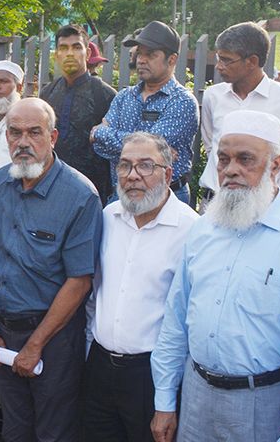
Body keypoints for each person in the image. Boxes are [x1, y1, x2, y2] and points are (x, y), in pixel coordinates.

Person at [150, 110, 280, 442]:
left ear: (275, 165)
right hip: (196, 395)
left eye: (245, 159)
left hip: (262, 403)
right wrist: (164, 401)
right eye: (223, 159)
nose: (231, 169)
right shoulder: (202, 229)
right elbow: (176, 320)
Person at [0, 97, 102, 442]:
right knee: (14, 429)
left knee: (53, 432)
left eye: (34, 132)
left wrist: (35, 345)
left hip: (53, 339)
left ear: (53, 137)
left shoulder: (80, 195)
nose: (23, 142)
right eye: (15, 133)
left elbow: (79, 281)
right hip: (3, 332)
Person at [82, 132, 199, 442]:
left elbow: (188, 320)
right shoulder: (108, 216)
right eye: (124, 165)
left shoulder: (191, 230)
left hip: (151, 376)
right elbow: (94, 293)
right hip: (99, 367)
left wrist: (167, 398)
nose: (132, 175)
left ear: (168, 174)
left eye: (146, 166)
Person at [199, 22, 280, 205]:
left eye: (226, 60)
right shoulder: (213, 96)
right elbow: (211, 146)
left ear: (252, 62)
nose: (218, 66)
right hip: (214, 202)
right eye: (219, 58)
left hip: (262, 206)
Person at [91, 21, 198, 204]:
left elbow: (149, 150)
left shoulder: (182, 101)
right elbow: (98, 146)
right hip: (122, 195)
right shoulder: (124, 97)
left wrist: (101, 134)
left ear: (172, 59)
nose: (141, 60)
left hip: (165, 196)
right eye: (140, 53)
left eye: (150, 54)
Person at [41, 24, 117, 201]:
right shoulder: (47, 94)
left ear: (88, 53)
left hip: (93, 192)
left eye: (76, 47)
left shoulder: (105, 95)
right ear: (56, 55)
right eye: (63, 48)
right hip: (51, 187)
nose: (69, 54)